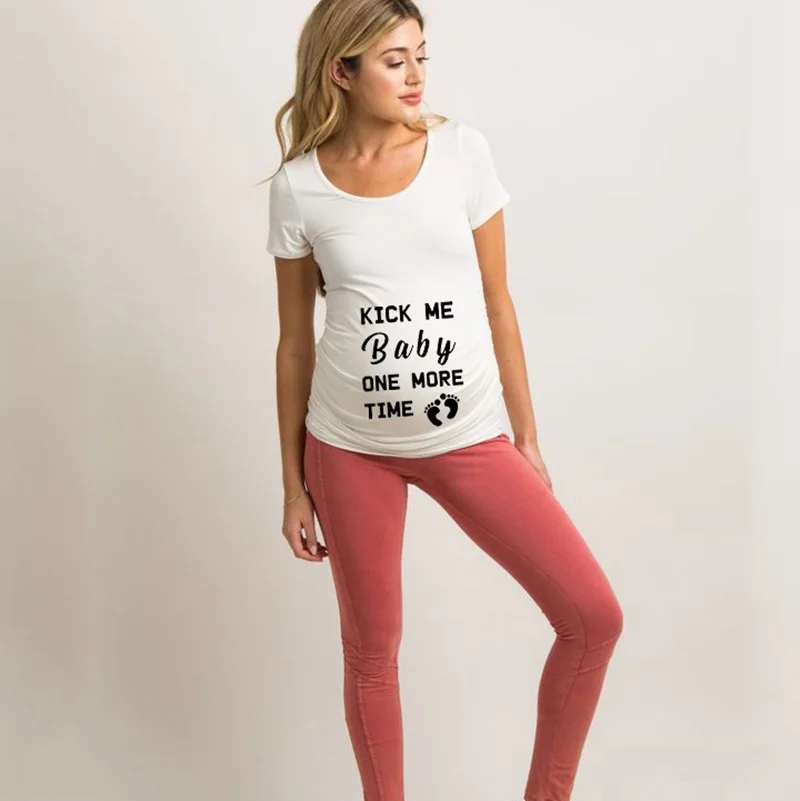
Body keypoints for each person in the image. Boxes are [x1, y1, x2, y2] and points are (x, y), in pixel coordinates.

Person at [266, 2, 624, 799]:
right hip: (347, 447)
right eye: (395, 61)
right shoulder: (299, 187)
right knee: (372, 650)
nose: (417, 75)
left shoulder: (462, 152)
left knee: (593, 616)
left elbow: (498, 300)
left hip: (467, 437)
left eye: (421, 55)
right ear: (341, 71)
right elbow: (294, 344)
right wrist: (293, 484)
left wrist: (526, 436)